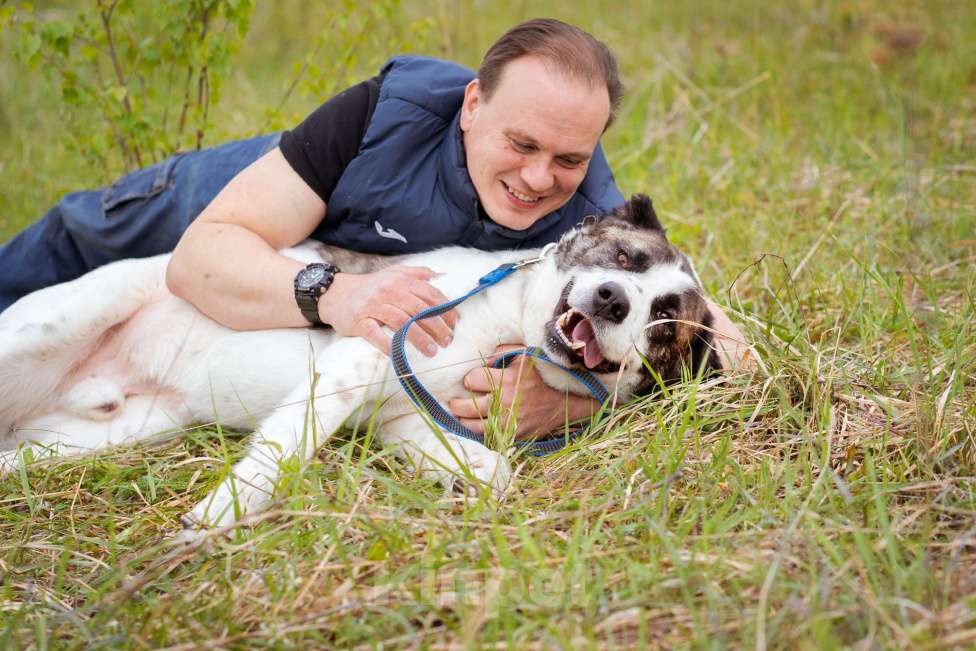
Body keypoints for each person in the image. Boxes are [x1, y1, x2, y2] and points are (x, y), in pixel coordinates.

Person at [0, 19, 746, 439]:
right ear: (472, 106)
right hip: (247, 205)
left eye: (568, 157)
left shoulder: (597, 228)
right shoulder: (383, 114)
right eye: (521, 145)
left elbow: (722, 347)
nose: (539, 177)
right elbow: (199, 261)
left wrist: (570, 402)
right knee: (59, 257)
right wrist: (337, 297)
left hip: (311, 277)